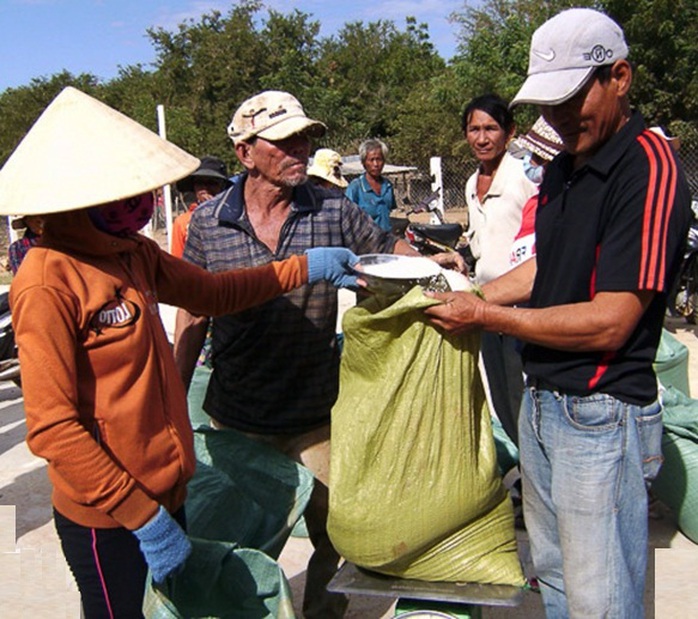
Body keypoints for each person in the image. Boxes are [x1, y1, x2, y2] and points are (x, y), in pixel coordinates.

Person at [0, 86, 359, 618]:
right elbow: (54, 429)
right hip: (110, 515)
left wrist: (303, 267)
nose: (139, 203)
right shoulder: (48, 281)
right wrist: (141, 517)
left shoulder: (132, 252)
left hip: (167, 496)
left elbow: (212, 294)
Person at [424, 8, 691, 617]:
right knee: (559, 582)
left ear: (619, 76)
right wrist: (472, 297)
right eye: (547, 104)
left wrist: (486, 319)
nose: (559, 118)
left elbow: (613, 318)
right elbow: (548, 267)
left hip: (599, 415)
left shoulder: (647, 166)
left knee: (601, 599)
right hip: (542, 401)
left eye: (570, 99)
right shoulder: (566, 164)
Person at [173, 90, 462, 619]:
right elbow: (192, 316)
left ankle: (322, 614)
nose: (301, 149)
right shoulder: (209, 223)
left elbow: (385, 248)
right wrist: (172, 398)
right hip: (240, 417)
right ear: (244, 153)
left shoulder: (330, 206)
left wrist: (438, 274)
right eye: (285, 140)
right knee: (247, 536)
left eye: (306, 138)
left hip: (319, 413)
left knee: (337, 528)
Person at [463, 94, 537, 447]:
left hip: (523, 305)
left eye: (491, 128)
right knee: (501, 396)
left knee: (525, 396)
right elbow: (481, 248)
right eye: (474, 129)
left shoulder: (524, 175)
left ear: (510, 133)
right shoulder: (469, 184)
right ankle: (527, 471)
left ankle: (540, 479)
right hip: (486, 306)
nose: (482, 138)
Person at [509, 116, 564, 270]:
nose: (530, 162)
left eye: (538, 158)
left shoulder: (566, 208)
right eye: (530, 154)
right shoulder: (533, 204)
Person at [171, 155, 231, 258]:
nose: (205, 188)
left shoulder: (233, 217)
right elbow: (177, 262)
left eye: (212, 182)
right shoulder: (182, 222)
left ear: (222, 186)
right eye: (200, 182)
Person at [345, 138, 396, 231]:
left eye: (379, 159)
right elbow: (347, 218)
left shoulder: (388, 186)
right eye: (371, 160)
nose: (376, 164)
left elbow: (390, 213)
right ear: (363, 163)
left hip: (387, 240)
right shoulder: (356, 187)